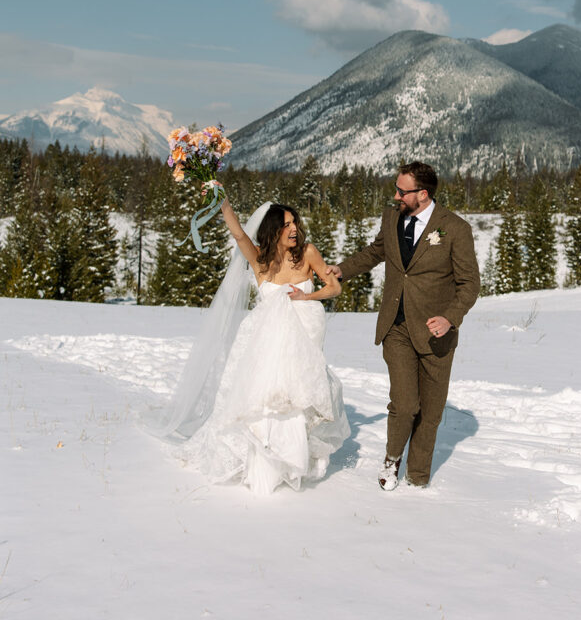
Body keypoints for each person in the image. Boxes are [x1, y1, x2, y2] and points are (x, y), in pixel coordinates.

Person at [157, 191, 350, 496]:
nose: (294, 229)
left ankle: (295, 461)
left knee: (299, 393)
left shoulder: (309, 253)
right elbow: (237, 231)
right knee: (269, 396)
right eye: (286, 225)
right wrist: (222, 201)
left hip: (307, 333)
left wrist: (306, 296)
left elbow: (334, 288)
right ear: (273, 229)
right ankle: (265, 467)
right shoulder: (260, 259)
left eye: (295, 223)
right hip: (269, 340)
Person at [328, 161, 479, 490]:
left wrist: (450, 317)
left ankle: (418, 477)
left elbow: (470, 285)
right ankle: (392, 459)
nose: (395, 195)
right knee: (406, 403)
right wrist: (341, 270)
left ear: (422, 195)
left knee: (432, 412)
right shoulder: (391, 217)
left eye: (402, 191)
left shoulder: (455, 228)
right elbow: (375, 252)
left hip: (436, 333)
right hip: (395, 326)